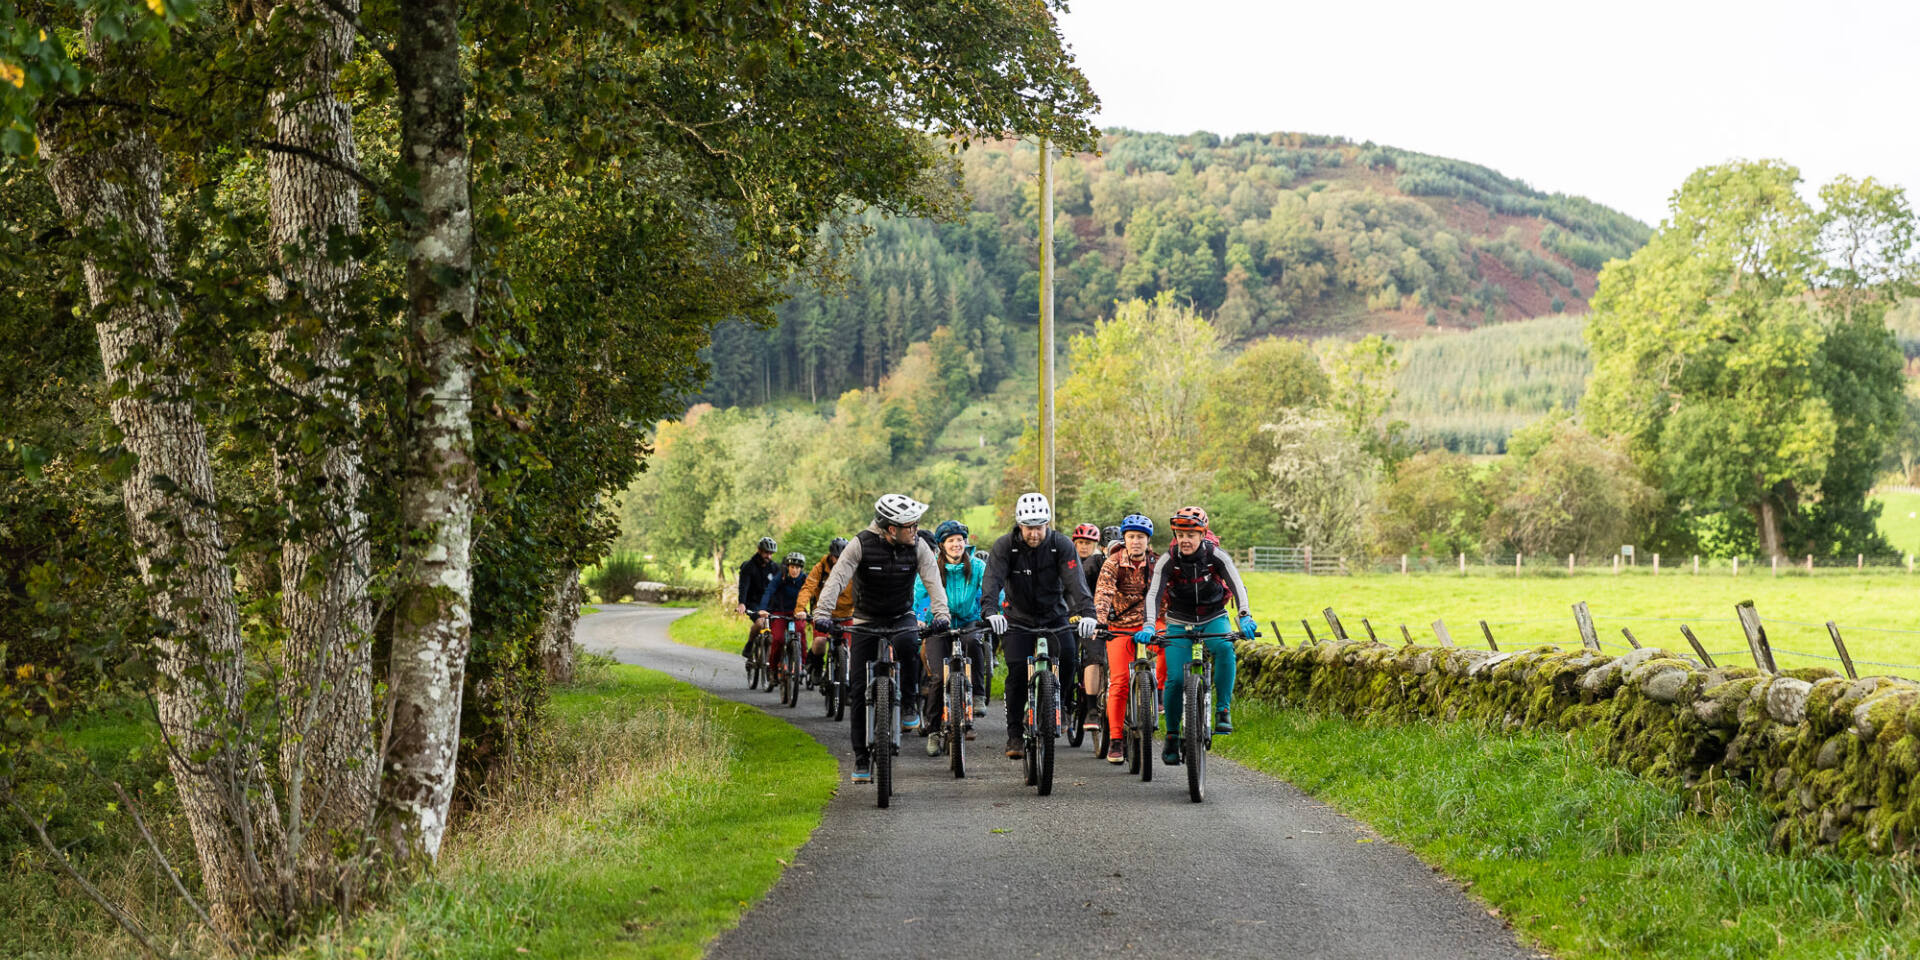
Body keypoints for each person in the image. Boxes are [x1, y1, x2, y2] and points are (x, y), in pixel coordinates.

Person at [813, 495, 951, 784]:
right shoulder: (861, 543)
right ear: (890, 529)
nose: (915, 530)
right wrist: (822, 612)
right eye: (909, 526)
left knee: (908, 644)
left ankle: (910, 704)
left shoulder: (918, 547)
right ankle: (862, 758)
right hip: (866, 618)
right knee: (859, 689)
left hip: (902, 614)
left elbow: (932, 581)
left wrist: (942, 614)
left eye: (916, 525)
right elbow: (837, 578)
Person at [979, 492, 1097, 760]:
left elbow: (1075, 583)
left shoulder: (1061, 545)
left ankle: (1064, 705)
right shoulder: (1005, 546)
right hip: (1017, 618)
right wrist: (990, 611)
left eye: (1039, 527)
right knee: (1018, 673)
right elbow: (992, 581)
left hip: (1055, 615)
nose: (1034, 533)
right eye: (1029, 527)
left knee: (1068, 657)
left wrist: (1087, 613)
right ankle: (1014, 735)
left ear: (1047, 524)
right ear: (1020, 525)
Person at [1139, 506, 1258, 767]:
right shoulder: (1168, 559)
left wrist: (1246, 615)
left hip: (1214, 615)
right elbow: (1153, 593)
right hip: (1179, 620)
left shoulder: (1216, 556)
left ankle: (1223, 709)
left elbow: (1238, 585)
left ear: (1203, 534)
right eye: (1180, 533)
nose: (1185, 539)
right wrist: (1149, 625)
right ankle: (1172, 735)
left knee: (1225, 649)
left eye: (1191, 534)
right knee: (1175, 679)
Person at [914, 519, 989, 755]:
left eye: (960, 540)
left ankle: (977, 694)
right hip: (938, 626)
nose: (957, 544)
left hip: (968, 621)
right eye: (951, 541)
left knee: (973, 643)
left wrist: (992, 613)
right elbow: (920, 595)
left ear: (965, 543)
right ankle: (934, 730)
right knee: (937, 677)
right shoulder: (931, 568)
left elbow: (991, 591)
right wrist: (924, 617)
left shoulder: (977, 567)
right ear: (942, 545)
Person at [1094, 513, 1160, 763]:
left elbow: (1164, 594)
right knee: (1119, 681)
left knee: (1170, 650)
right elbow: (1103, 594)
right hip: (1119, 626)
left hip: (1150, 624)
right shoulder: (1112, 563)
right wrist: (1101, 620)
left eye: (1140, 537)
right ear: (1124, 539)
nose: (1135, 542)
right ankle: (1115, 739)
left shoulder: (1156, 563)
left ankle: (1161, 694)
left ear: (1148, 540)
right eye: (1131, 537)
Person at [1069, 523, 1107, 730]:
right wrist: (1072, 614)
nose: (1084, 547)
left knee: (1094, 655)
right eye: (1081, 543)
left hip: (1094, 617)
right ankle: (1065, 702)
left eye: (1088, 543)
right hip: (1072, 614)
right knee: (1068, 656)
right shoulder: (1067, 562)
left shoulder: (1098, 563)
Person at [795, 537, 852, 672]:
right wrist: (800, 608)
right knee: (820, 641)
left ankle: (846, 680)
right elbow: (808, 588)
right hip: (824, 613)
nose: (840, 561)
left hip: (846, 614)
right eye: (837, 557)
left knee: (848, 649)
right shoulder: (820, 568)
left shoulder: (854, 568)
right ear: (832, 557)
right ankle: (817, 664)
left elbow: (863, 589)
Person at [754, 552, 808, 676]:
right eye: (792, 567)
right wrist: (762, 609)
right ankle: (772, 669)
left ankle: (802, 664)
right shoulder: (781, 577)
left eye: (797, 568)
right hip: (780, 612)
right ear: (787, 567)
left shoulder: (805, 579)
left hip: (797, 613)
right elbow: (769, 591)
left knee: (801, 634)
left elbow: (813, 594)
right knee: (778, 639)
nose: (795, 570)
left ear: (801, 568)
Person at [736, 536, 779, 659]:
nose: (769, 556)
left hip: (769, 604)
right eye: (766, 553)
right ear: (759, 550)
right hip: (753, 603)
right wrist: (742, 603)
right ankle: (750, 644)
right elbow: (743, 586)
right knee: (760, 623)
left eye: (771, 553)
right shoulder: (749, 566)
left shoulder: (774, 567)